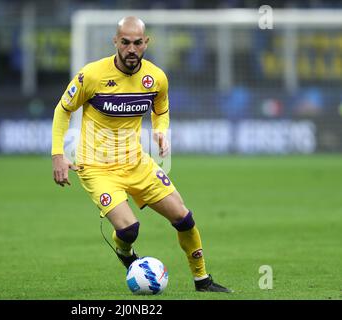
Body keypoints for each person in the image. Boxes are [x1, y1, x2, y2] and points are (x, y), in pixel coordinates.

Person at [51, 16, 232, 293]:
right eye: (125, 42)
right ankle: (126, 253)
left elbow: (161, 107)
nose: (131, 49)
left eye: (137, 42)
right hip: (97, 167)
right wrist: (58, 154)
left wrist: (161, 130)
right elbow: (63, 110)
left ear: (146, 42)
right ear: (116, 42)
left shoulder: (155, 78)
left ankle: (202, 280)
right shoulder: (93, 75)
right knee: (129, 229)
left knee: (184, 218)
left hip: (136, 162)